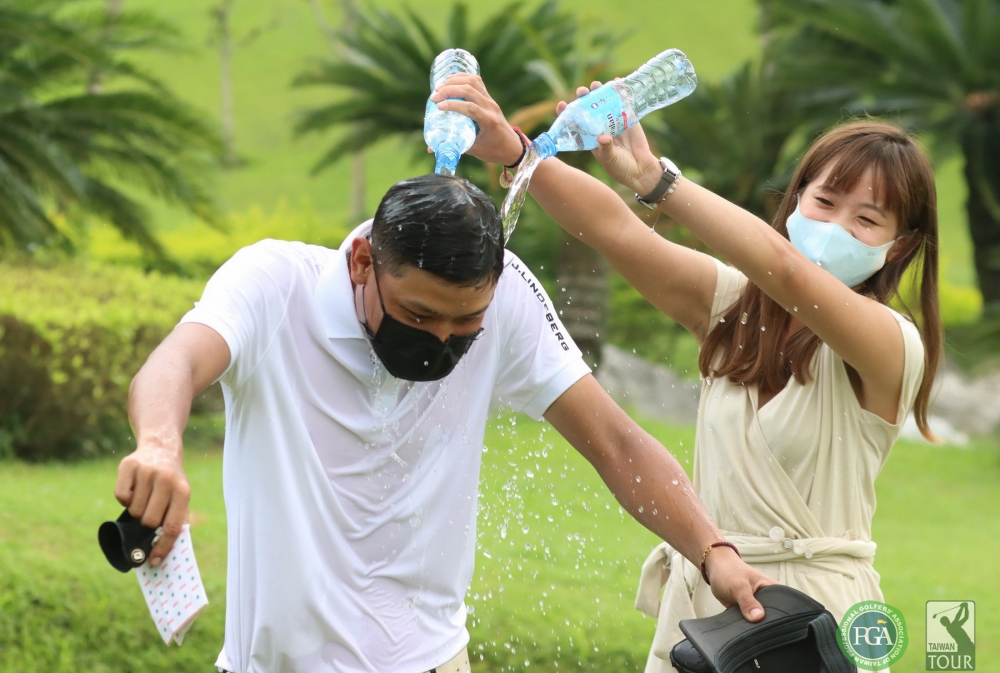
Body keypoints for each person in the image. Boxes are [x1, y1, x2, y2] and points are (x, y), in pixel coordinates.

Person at [114, 165, 773, 671]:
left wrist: (712, 549)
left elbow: (617, 443)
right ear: (364, 262)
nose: (442, 338)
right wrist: (160, 444)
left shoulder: (509, 293)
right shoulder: (272, 284)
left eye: (467, 323)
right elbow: (174, 362)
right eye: (420, 315)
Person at [430, 76, 941, 671]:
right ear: (796, 201)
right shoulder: (734, 308)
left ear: (899, 248)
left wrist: (655, 179)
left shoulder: (892, 347)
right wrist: (521, 153)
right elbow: (614, 230)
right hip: (704, 610)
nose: (834, 228)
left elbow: (789, 272)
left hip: (808, 622)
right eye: (824, 203)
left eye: (866, 220)